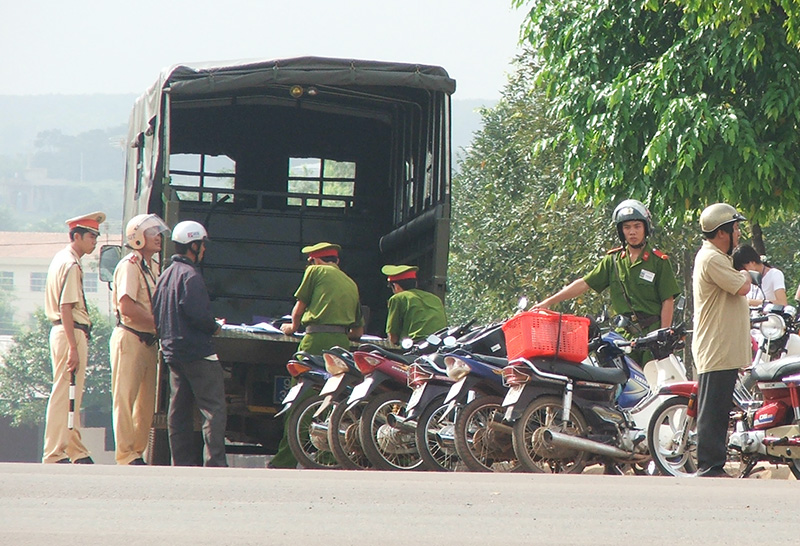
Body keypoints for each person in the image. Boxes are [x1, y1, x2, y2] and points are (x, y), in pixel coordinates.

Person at [535, 200, 681, 352]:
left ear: (646, 228)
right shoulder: (613, 261)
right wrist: (548, 302)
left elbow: (667, 300)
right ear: (621, 231)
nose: (632, 232)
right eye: (627, 227)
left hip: (652, 334)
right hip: (623, 337)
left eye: (637, 226)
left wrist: (663, 334)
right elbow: (584, 283)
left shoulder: (658, 261)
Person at [272, 242, 364, 468]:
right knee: (333, 401)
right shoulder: (350, 282)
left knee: (299, 400)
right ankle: (329, 457)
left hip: (315, 341)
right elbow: (358, 331)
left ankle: (285, 460)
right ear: (337, 261)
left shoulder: (314, 271)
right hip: (341, 346)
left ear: (314, 260)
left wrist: (290, 327)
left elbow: (299, 307)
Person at [152, 220, 227, 467]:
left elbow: (158, 311)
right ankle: (215, 463)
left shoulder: (164, 276)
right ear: (193, 245)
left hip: (173, 353)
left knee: (178, 411)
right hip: (197, 352)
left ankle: (181, 463)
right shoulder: (191, 276)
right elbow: (198, 314)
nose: (204, 250)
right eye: (202, 245)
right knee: (213, 408)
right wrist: (215, 326)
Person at [692, 203, 751, 478]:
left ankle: (714, 461)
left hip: (721, 346)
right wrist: (746, 274)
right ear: (721, 233)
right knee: (713, 408)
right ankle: (709, 465)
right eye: (735, 228)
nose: (738, 233)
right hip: (716, 346)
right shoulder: (712, 259)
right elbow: (742, 286)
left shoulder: (718, 257)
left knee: (719, 405)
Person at [42, 211, 105, 464]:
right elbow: (67, 307)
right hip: (70, 331)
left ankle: (75, 449)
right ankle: (55, 451)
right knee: (64, 393)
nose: (95, 241)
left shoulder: (61, 258)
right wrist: (73, 347)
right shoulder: (71, 264)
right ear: (76, 236)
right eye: (91, 236)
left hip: (64, 330)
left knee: (71, 394)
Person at [109, 214, 170, 465]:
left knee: (145, 403)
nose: (158, 236)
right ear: (137, 237)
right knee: (125, 398)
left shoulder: (153, 267)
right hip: (131, 337)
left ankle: (137, 450)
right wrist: (160, 325)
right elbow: (127, 307)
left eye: (158, 231)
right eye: (151, 232)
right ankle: (126, 453)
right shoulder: (129, 265)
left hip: (149, 342)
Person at [381, 264, 447, 345]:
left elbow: (392, 337)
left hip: (415, 346)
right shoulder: (435, 298)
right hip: (440, 343)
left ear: (395, 286)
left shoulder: (397, 298)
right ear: (415, 284)